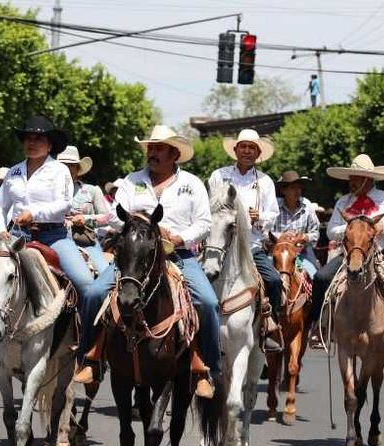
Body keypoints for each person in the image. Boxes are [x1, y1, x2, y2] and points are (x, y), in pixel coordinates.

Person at [73, 125, 218, 399]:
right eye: (150, 148)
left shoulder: (192, 184)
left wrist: (178, 238)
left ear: (174, 153)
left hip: (177, 254)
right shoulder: (131, 181)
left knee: (209, 304)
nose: (152, 153)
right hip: (136, 256)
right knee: (93, 293)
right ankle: (89, 359)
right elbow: (116, 217)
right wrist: (140, 223)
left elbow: (204, 223)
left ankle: (206, 370)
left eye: (158, 148)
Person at [309, 153, 384, 353]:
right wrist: (353, 230)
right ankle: (319, 326)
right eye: (351, 177)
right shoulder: (343, 201)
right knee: (321, 278)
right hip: (349, 254)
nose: (351, 182)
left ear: (368, 179)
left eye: (356, 177)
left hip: (380, 255)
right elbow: (331, 230)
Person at [0, 115, 95, 297]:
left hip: (53, 237)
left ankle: (87, 326)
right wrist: (0, 229)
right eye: (28, 138)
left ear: (50, 145)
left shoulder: (60, 170)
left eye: (39, 138)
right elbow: (0, 204)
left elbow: (64, 204)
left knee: (86, 285)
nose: (32, 142)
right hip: (16, 235)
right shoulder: (13, 171)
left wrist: (34, 213)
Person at [208, 128, 283, 351]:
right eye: (243, 147)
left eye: (252, 148)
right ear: (235, 149)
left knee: (275, 280)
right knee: (196, 280)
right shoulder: (218, 176)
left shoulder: (265, 182)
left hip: (251, 247)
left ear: (258, 152)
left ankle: (270, 326)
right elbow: (210, 207)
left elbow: (273, 214)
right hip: (219, 244)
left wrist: (259, 218)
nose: (247, 151)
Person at [58, 145, 111, 273]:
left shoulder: (92, 191)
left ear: (77, 169)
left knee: (104, 274)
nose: (67, 169)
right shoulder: (47, 191)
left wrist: (85, 219)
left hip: (85, 242)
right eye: (63, 165)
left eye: (71, 165)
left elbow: (108, 218)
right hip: (54, 238)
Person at [273, 170, 322, 279]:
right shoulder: (274, 206)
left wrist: (305, 237)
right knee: (266, 278)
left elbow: (315, 233)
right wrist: (282, 237)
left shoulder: (307, 205)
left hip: (302, 254)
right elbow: (264, 233)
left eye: (299, 188)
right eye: (293, 188)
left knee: (315, 276)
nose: (297, 191)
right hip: (277, 254)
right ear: (283, 190)